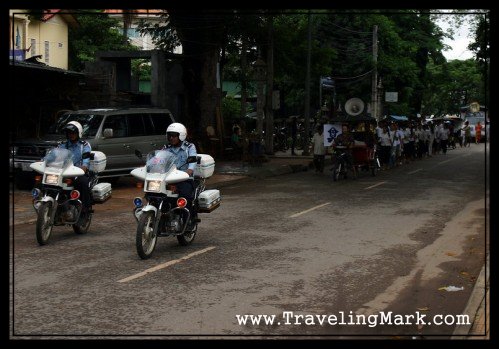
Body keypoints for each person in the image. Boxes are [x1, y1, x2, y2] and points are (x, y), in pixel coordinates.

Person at [162, 122, 199, 228]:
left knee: (185, 196)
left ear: (181, 135)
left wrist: (190, 170)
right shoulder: (166, 147)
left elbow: (193, 160)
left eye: (174, 135)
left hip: (184, 179)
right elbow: (158, 159)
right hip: (169, 179)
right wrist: (150, 165)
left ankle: (189, 220)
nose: (171, 138)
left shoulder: (189, 147)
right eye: (169, 135)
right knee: (157, 194)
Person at [58, 121, 93, 213]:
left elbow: (86, 160)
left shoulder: (84, 145)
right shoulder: (62, 145)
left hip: (78, 172)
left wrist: (84, 167)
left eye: (73, 132)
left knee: (83, 183)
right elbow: (54, 155)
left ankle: (85, 209)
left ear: (78, 133)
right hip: (63, 172)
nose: (71, 135)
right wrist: (44, 161)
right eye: (69, 133)